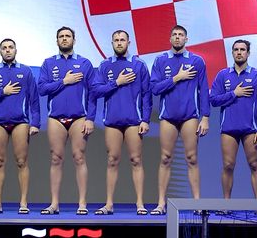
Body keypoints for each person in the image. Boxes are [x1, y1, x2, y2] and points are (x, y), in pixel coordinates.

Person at [149, 25, 210, 215]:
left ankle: (197, 203)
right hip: (168, 117)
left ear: (186, 39)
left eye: (181, 35)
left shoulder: (197, 61)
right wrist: (176, 78)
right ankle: (161, 204)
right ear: (170, 39)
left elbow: (203, 90)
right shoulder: (160, 60)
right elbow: (155, 89)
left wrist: (205, 117)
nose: (177, 37)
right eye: (174, 34)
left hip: (190, 116)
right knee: (165, 158)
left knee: (192, 158)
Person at [92, 30, 152, 215]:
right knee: (112, 160)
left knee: (136, 160)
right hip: (112, 121)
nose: (119, 43)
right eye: (116, 40)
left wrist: (145, 119)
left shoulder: (139, 65)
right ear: (112, 43)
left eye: (122, 40)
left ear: (128, 42)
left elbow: (147, 95)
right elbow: (96, 91)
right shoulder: (104, 65)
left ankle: (140, 204)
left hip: (134, 121)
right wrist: (116, 82)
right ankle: (109, 204)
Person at [37, 27, 96, 215]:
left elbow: (93, 94)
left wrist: (90, 118)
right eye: (61, 36)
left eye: (67, 36)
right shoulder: (48, 63)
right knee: (56, 158)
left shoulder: (84, 63)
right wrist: (64, 81)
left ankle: (82, 203)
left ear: (74, 40)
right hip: (56, 118)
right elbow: (42, 89)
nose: (64, 39)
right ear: (57, 41)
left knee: (79, 157)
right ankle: (54, 204)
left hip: (79, 117)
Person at [0, 38, 40, 214]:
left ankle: (23, 203)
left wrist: (35, 123)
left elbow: (34, 100)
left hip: (20, 122)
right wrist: (2, 92)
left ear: (15, 50)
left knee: (21, 162)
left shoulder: (25, 71)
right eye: (4, 48)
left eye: (10, 47)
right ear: (0, 51)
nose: (7, 50)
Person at [210, 39, 257, 199]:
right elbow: (214, 100)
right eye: (236, 49)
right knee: (228, 165)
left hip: (251, 129)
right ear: (232, 53)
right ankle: (226, 204)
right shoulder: (223, 75)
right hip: (228, 128)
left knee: (254, 164)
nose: (239, 52)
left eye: (242, 50)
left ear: (248, 53)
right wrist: (234, 94)